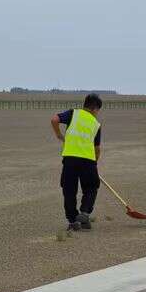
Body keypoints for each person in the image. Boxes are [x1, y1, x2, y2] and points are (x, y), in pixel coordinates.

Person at [51, 93, 103, 231]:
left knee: (69, 190)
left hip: (70, 160)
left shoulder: (73, 113)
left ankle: (73, 220)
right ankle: (85, 212)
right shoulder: (96, 124)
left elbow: (54, 119)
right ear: (95, 109)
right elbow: (97, 149)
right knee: (91, 187)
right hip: (88, 161)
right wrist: (95, 163)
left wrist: (59, 135)